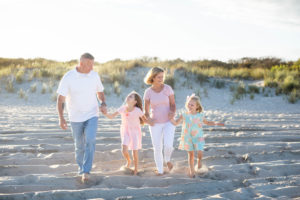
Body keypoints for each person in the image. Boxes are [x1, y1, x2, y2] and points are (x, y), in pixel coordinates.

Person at [56, 53, 107, 183]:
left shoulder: (94, 75)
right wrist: (61, 118)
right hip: (75, 116)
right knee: (79, 145)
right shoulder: (69, 77)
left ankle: (86, 171)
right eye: (89, 64)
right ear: (81, 63)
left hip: (92, 114)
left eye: (93, 64)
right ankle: (81, 168)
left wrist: (103, 103)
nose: (92, 67)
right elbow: (60, 99)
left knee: (90, 140)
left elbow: (100, 92)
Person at [171, 94, 224, 178]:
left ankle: (199, 162)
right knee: (191, 154)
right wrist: (170, 118)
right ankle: (192, 171)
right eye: (189, 104)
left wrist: (217, 123)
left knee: (200, 152)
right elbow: (176, 123)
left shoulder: (200, 115)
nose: (190, 106)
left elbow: (207, 123)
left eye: (192, 105)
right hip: (188, 137)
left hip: (198, 137)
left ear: (197, 106)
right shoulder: (184, 115)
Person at [104, 91, 152, 175]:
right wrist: (105, 113)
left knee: (135, 152)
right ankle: (128, 161)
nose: (128, 97)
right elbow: (111, 116)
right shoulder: (123, 108)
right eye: (128, 95)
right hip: (125, 130)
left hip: (135, 132)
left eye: (131, 97)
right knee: (124, 149)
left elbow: (145, 120)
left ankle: (136, 169)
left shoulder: (137, 110)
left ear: (135, 102)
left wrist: (153, 123)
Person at [143, 67, 176, 175]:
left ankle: (167, 160)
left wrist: (172, 112)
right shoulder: (148, 92)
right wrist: (148, 119)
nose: (161, 79)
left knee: (168, 145)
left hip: (168, 122)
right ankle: (160, 170)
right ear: (152, 77)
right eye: (159, 77)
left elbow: (173, 104)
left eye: (162, 77)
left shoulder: (168, 88)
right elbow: (146, 111)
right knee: (157, 147)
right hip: (155, 123)